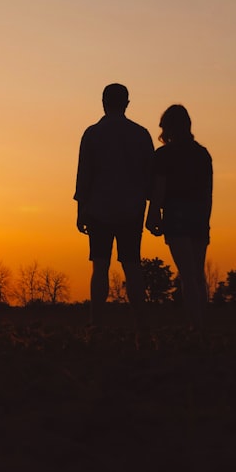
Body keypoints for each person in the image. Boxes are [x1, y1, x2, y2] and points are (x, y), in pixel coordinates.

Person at [75, 83, 154, 330]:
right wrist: (151, 208)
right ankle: (141, 322)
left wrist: (81, 210)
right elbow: (150, 175)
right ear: (127, 103)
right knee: (132, 265)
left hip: (98, 208)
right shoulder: (141, 134)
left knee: (100, 265)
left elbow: (84, 174)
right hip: (131, 209)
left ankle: (95, 321)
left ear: (103, 102)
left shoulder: (92, 133)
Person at [145, 104, 213, 331]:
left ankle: (196, 326)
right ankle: (201, 324)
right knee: (197, 273)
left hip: (177, 215)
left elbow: (159, 188)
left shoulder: (164, 155)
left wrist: (153, 215)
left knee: (187, 275)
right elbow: (208, 192)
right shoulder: (202, 154)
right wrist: (205, 220)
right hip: (199, 216)